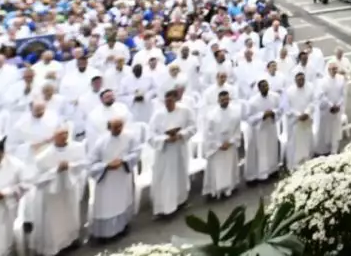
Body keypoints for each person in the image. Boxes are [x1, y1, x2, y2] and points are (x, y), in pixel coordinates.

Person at [28, 124, 88, 256]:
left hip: (69, 189)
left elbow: (83, 163)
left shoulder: (77, 148)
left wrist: (70, 166)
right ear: (53, 137)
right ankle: (53, 248)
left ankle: (71, 241)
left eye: (66, 133)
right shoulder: (43, 157)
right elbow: (36, 179)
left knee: (71, 215)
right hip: (52, 195)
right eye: (61, 135)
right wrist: (56, 170)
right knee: (53, 223)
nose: (64, 137)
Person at [88, 117, 141, 241]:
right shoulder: (101, 142)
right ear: (108, 128)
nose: (118, 129)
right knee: (107, 207)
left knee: (122, 202)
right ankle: (105, 234)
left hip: (122, 175)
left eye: (120, 126)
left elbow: (136, 152)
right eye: (115, 127)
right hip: (107, 180)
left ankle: (122, 227)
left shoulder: (130, 137)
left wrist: (123, 161)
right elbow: (91, 163)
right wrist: (106, 166)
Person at [147, 88, 196, 217]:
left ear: (175, 99)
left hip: (179, 149)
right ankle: (164, 208)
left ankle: (180, 201)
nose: (168, 103)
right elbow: (150, 136)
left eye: (171, 100)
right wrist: (165, 139)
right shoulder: (158, 115)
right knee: (164, 179)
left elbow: (193, 127)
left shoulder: (185, 111)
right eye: (166, 101)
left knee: (180, 175)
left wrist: (181, 134)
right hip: (164, 152)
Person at [202, 89, 242, 199]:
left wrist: (231, 141)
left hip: (230, 145)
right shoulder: (211, 115)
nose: (225, 101)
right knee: (218, 169)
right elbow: (208, 133)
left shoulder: (235, 113)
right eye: (222, 99)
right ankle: (216, 191)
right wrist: (218, 144)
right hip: (217, 148)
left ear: (229, 99)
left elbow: (237, 130)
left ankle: (229, 188)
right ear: (218, 100)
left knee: (229, 167)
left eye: (226, 99)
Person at [244, 79, 280, 182]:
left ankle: (272, 170)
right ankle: (260, 174)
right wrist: (262, 115)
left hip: (271, 127)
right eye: (263, 86)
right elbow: (249, 118)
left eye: (267, 86)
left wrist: (273, 112)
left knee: (272, 149)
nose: (265, 88)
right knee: (261, 152)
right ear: (259, 88)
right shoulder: (252, 101)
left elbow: (280, 109)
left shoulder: (275, 97)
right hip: (259, 131)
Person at [283, 71, 316, 171]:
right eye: (299, 80)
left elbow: (313, 102)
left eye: (303, 79)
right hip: (295, 122)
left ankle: (307, 160)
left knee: (306, 140)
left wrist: (307, 112)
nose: (301, 81)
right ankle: (294, 164)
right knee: (295, 143)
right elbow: (287, 107)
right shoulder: (289, 91)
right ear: (295, 80)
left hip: (307, 120)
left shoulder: (310, 88)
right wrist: (298, 115)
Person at [314, 63, 346, 156]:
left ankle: (334, 149)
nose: (334, 71)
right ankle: (325, 149)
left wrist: (338, 105)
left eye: (335, 69)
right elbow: (321, 95)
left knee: (335, 130)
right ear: (328, 70)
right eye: (332, 69)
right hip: (327, 110)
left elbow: (343, 94)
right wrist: (331, 105)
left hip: (337, 110)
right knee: (326, 130)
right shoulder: (323, 81)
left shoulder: (341, 79)